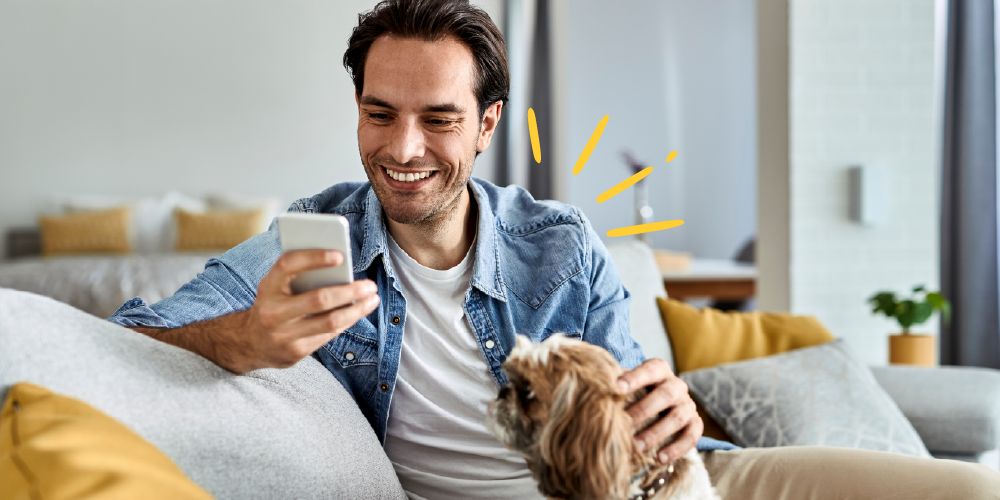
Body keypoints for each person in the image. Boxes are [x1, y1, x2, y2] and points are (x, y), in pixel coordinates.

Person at [108, 1, 1000, 499]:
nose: (404, 147)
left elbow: (644, 399)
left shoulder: (558, 244)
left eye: (439, 119)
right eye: (380, 113)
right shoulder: (311, 240)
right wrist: (242, 341)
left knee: (963, 494)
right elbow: (129, 334)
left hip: (666, 487)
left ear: (489, 123)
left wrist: (672, 414)